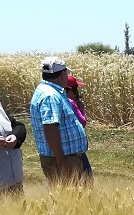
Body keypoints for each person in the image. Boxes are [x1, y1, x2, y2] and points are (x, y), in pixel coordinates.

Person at [29, 56, 92, 184]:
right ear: (62, 74)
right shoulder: (50, 95)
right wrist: (60, 159)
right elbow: (50, 127)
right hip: (64, 159)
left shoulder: (50, 91)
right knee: (72, 198)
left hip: (68, 157)